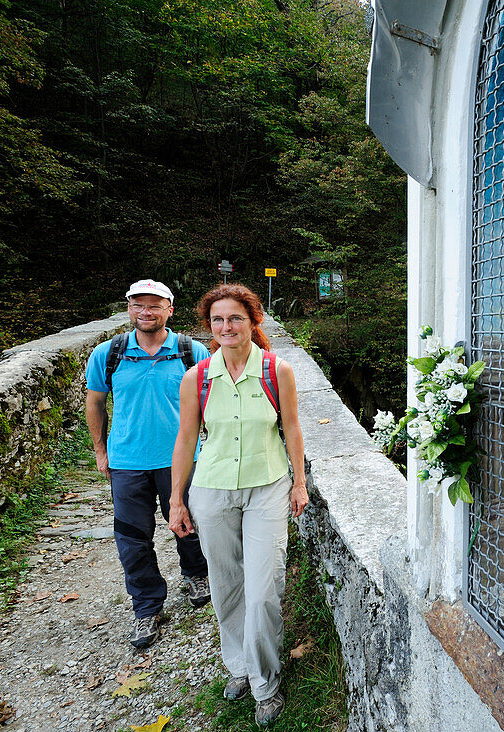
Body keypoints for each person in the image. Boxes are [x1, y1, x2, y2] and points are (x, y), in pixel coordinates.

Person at [168, 284, 308, 728]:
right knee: (226, 583)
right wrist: (176, 498)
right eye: (217, 321)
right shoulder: (198, 377)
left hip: (267, 487)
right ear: (209, 327)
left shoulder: (276, 370)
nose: (226, 327)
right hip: (212, 491)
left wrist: (299, 483)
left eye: (235, 319)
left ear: (253, 321)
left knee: (264, 587)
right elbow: (186, 439)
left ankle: (266, 683)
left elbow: (292, 429)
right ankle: (240, 667)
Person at [85, 279, 212, 650]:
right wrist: (99, 450)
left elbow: (215, 398)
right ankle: (146, 606)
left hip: (182, 459)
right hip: (127, 461)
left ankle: (196, 574)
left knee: (188, 524)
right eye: (137, 305)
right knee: (131, 538)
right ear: (128, 309)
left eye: (154, 305)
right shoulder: (108, 354)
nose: (145, 311)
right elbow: (95, 403)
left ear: (169, 310)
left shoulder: (192, 351)